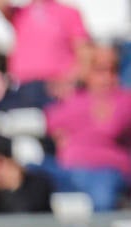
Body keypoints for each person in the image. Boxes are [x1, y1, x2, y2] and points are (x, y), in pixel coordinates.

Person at [39, 44, 131, 213]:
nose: (107, 77)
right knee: (30, 173)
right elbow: (51, 122)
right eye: (99, 70)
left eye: (112, 70)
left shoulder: (125, 99)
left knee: (102, 194)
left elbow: (111, 128)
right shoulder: (75, 98)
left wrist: (77, 126)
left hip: (106, 170)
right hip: (68, 169)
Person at [0, 0, 89, 115]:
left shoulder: (69, 12)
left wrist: (70, 81)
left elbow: (85, 54)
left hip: (53, 89)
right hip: (22, 87)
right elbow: (0, 4)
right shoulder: (21, 13)